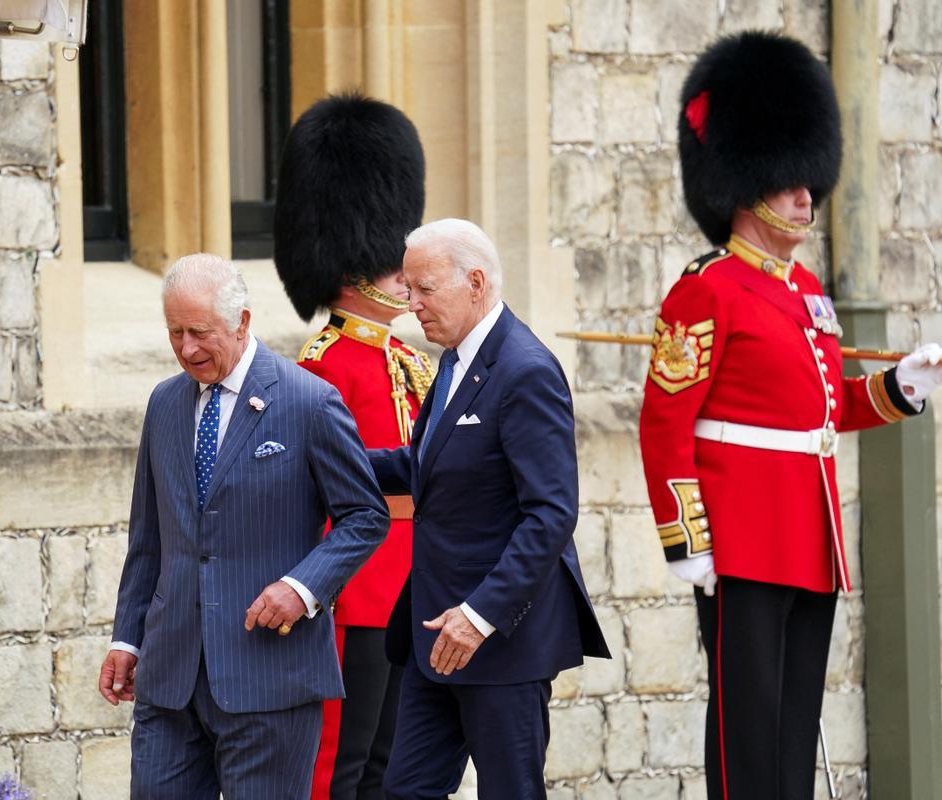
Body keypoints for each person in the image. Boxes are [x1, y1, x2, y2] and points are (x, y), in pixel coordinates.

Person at [639, 31, 942, 799]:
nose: (806, 193)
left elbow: (824, 407)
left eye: (809, 177)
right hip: (740, 537)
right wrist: (689, 539)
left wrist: (899, 387)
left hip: (809, 534)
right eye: (787, 179)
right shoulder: (707, 289)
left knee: (794, 722)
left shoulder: (805, 293)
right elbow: (665, 422)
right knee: (748, 724)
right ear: (744, 184)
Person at [98, 253, 390, 799]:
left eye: (201, 332)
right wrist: (128, 640)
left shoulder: (309, 401)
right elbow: (149, 539)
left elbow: (365, 515)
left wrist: (302, 588)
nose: (187, 349)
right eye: (175, 332)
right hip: (170, 681)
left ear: (243, 322)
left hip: (270, 679)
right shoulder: (164, 403)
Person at [368, 219, 610, 799]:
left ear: (475, 282)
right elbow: (424, 466)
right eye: (409, 288)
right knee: (406, 791)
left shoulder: (525, 369)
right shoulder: (453, 358)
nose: (411, 303)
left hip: (499, 639)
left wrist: (479, 616)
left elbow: (550, 513)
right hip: (435, 632)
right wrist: (329, 457)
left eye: (424, 289)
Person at [274, 92, 434, 800]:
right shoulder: (323, 364)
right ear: (354, 259)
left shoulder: (411, 362)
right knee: (341, 765)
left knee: (396, 763)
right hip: (357, 590)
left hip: (417, 582)